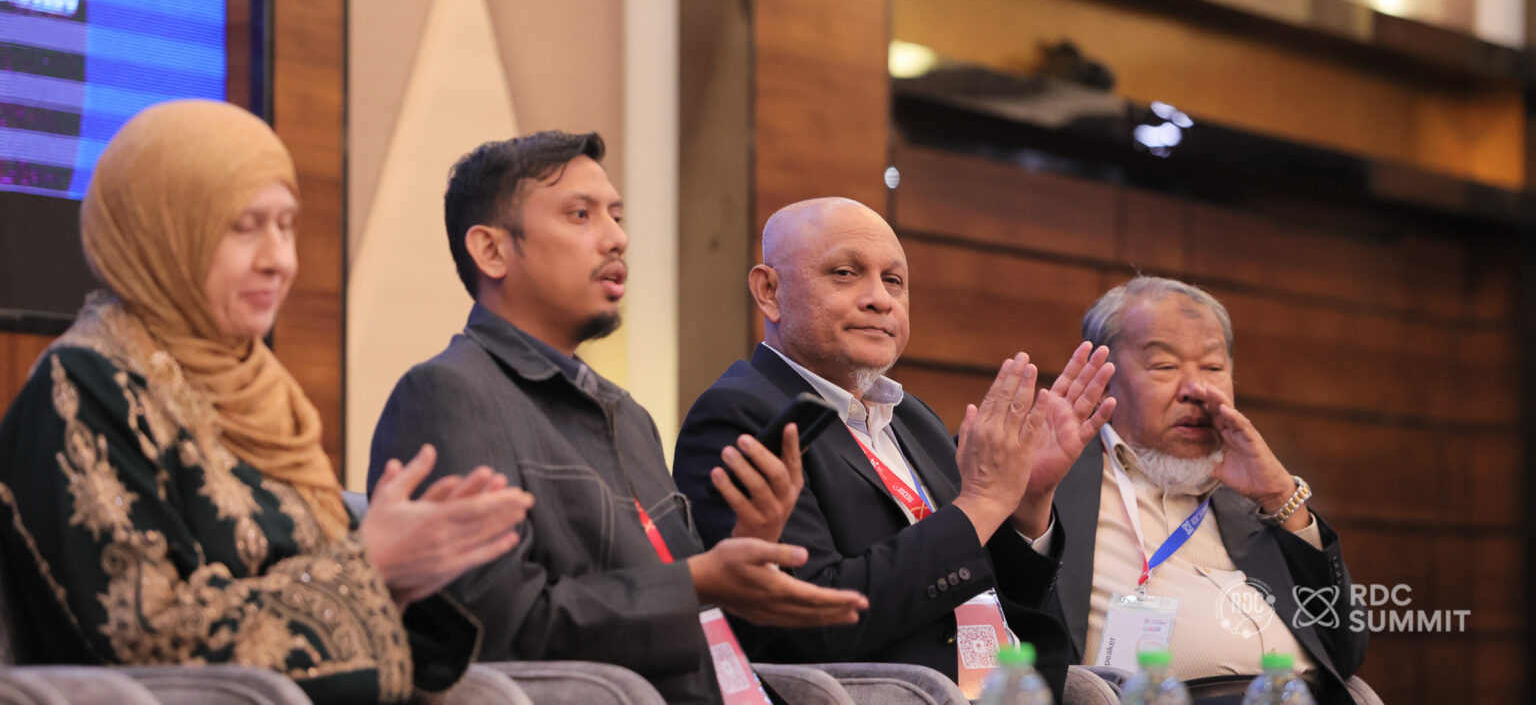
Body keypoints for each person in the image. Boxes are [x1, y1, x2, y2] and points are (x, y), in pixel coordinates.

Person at [0, 99, 532, 705]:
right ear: (163, 231)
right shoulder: (85, 390)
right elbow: (145, 639)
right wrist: (371, 565)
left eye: (286, 226)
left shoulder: (265, 392)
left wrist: (399, 583)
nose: (279, 260)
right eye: (244, 227)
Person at [367, 131, 867, 705]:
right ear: (492, 251)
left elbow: (682, 613)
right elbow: (495, 627)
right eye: (580, 215)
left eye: (617, 216)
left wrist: (750, 545)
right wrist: (698, 581)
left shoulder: (628, 415)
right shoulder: (449, 394)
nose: (617, 238)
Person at [673, 197, 1116, 703]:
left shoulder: (913, 419)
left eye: (894, 281)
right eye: (844, 273)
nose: (879, 299)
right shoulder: (742, 415)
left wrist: (1024, 506)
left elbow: (995, 592)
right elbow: (810, 622)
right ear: (769, 291)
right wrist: (982, 504)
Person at [1042, 277, 1369, 705]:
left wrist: (1282, 500)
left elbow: (1347, 649)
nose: (1196, 390)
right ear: (1102, 380)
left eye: (1213, 368)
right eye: (1165, 366)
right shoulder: (1053, 485)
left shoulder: (1257, 500)